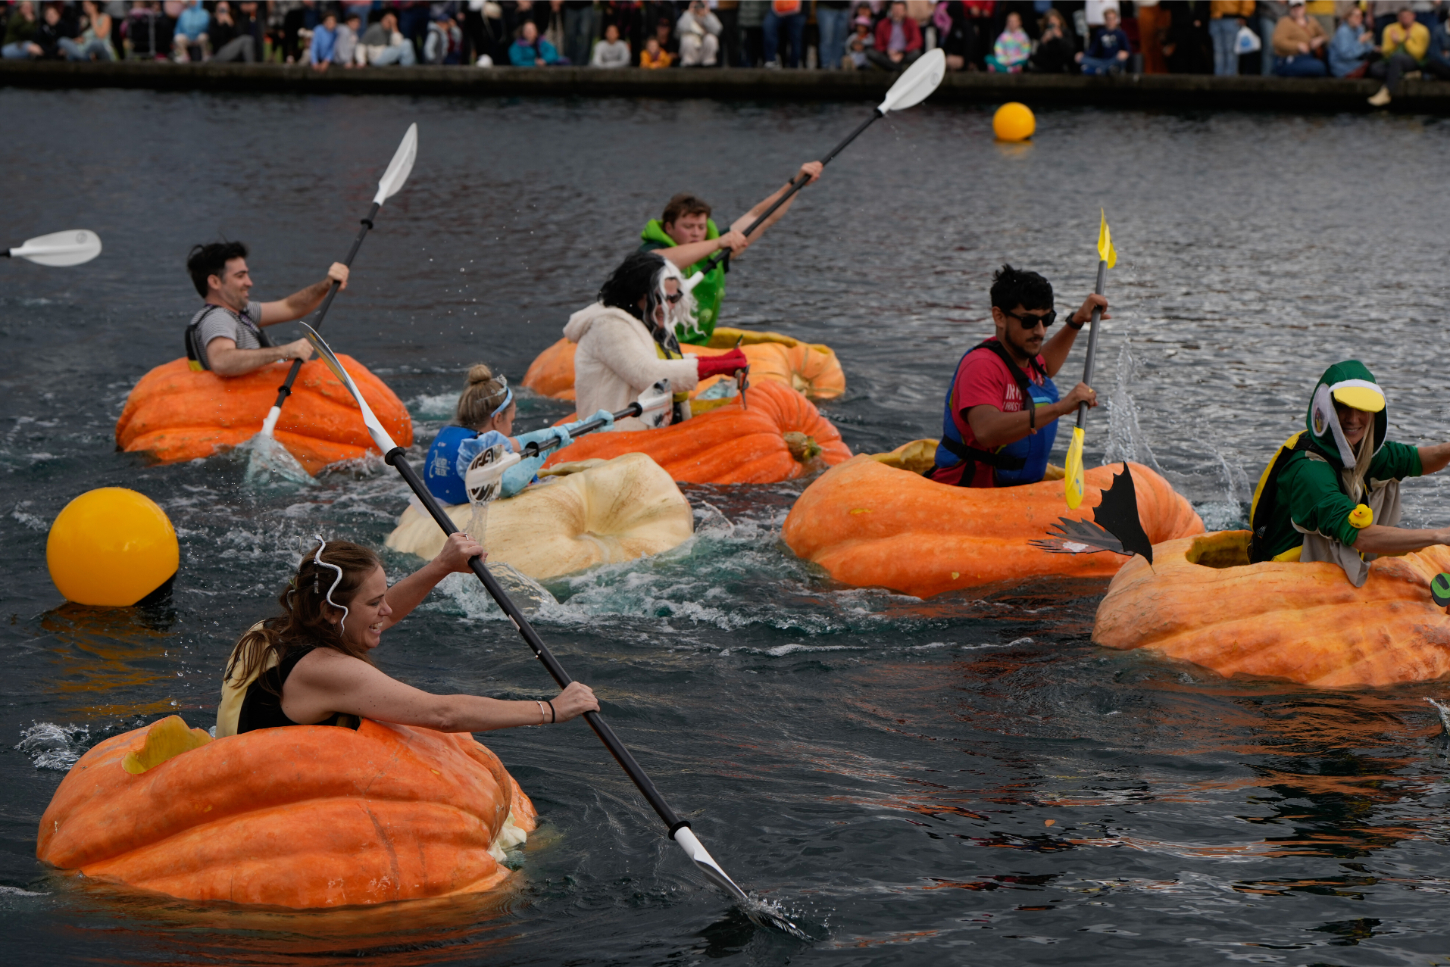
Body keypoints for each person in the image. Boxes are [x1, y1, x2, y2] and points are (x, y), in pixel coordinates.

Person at [216, 535, 599, 738]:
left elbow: (382, 613)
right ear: (332, 611)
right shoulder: (326, 670)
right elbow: (442, 715)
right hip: (259, 809)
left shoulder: (269, 632)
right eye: (374, 602)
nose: (386, 612)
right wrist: (550, 710)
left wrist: (442, 566)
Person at [1248, 361, 1450, 587]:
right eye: (1343, 407)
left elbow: (1417, 461)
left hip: (1319, 570)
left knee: (1388, 477)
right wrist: (1440, 536)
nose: (1353, 419)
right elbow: (1360, 536)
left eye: (1362, 408)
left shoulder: (1358, 450)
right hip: (1283, 581)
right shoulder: (1310, 472)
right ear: (1325, 409)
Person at [928, 265, 1103, 489]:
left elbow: (1046, 364)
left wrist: (1077, 320)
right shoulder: (981, 366)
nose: (1040, 331)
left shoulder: (1027, 360)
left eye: (1047, 319)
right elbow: (986, 431)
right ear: (999, 317)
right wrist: (1060, 408)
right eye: (1028, 321)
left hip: (1014, 493)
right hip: (967, 494)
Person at [638, 161, 825, 345]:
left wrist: (795, 184)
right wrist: (717, 243)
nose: (696, 233)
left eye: (701, 227)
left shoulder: (716, 250)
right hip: (650, 343)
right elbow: (659, 260)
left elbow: (760, 217)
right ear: (668, 228)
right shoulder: (650, 250)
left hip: (695, 345)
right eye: (688, 227)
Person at [563, 252, 749, 430]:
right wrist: (719, 366)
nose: (667, 307)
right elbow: (648, 373)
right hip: (611, 440)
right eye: (658, 299)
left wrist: (722, 362)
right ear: (635, 293)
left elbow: (667, 363)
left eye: (673, 298)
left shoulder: (649, 321)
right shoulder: (608, 325)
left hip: (650, 435)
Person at [423, 364, 615, 506]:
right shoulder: (479, 451)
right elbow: (508, 485)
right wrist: (543, 452)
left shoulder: (461, 438)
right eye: (511, 421)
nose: (512, 428)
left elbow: (525, 440)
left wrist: (585, 425)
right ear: (498, 418)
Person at [182, 240, 349, 377]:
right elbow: (221, 362)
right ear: (215, 282)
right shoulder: (218, 318)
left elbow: (291, 307)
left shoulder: (241, 312)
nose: (249, 282)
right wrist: (285, 351)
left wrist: (325, 286)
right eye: (240, 276)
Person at [1368, 6, 1432, 105]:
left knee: (1397, 57)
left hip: (1413, 61)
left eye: (1407, 16)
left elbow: (1419, 54)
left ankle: (1388, 91)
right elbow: (1385, 52)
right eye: (1402, 16)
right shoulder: (1390, 28)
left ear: (1413, 16)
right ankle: (1407, 75)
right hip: (1393, 61)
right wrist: (1395, 44)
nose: (1405, 18)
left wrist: (1405, 42)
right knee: (1375, 68)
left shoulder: (1422, 30)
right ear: (1398, 17)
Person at [1271, 0, 1328, 76]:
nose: (1296, 9)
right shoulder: (1284, 22)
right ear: (1289, 8)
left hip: (1310, 56)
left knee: (1327, 56)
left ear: (1304, 7)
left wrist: (1319, 39)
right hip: (1291, 59)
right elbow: (1277, 41)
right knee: (1318, 67)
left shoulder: (1311, 21)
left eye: (1299, 6)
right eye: (1293, 6)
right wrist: (1297, 46)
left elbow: (1325, 36)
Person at [868, 0, 923, 71]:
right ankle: (899, 69)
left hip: (904, 53)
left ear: (905, 11)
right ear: (890, 11)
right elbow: (878, 44)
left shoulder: (911, 23)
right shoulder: (882, 24)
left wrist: (903, 52)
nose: (897, 12)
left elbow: (917, 41)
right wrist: (887, 51)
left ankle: (893, 68)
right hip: (887, 54)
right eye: (894, 9)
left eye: (899, 10)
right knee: (870, 52)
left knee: (916, 53)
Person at [1077, 6, 1133, 73]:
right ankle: (1104, 69)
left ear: (1116, 19)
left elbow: (1128, 51)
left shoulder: (1121, 33)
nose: (1110, 21)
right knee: (1082, 59)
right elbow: (1093, 50)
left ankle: (1099, 69)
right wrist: (1083, 54)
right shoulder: (1100, 33)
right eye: (1108, 19)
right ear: (1105, 20)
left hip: (1115, 60)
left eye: (1112, 19)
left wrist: (1124, 53)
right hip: (1102, 60)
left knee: (1120, 59)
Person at [1329, 5, 1376, 77]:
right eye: (1356, 16)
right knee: (1374, 67)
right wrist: (1360, 42)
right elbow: (1346, 55)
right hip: (1343, 67)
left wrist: (1374, 48)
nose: (1360, 19)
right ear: (1349, 17)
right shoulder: (1343, 31)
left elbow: (1365, 48)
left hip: (1356, 63)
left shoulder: (1359, 29)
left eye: (1361, 16)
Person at [1209, 0, 1253, 75]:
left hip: (1232, 17)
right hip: (1215, 17)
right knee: (1218, 50)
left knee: (1230, 50)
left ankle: (1230, 77)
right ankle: (1218, 77)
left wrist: (1244, 14)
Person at [1029, 8, 1078, 72]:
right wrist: (1044, 41)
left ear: (1059, 21)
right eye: (1050, 22)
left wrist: (1060, 37)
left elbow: (1070, 49)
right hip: (1049, 59)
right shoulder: (1044, 32)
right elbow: (1039, 52)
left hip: (1061, 58)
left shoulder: (1066, 31)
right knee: (1032, 57)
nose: (1052, 24)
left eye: (1054, 21)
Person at [676, 0, 721, 67]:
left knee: (711, 38)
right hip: (691, 53)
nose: (699, 7)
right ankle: (688, 62)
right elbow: (681, 28)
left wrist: (707, 14)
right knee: (687, 39)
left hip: (704, 52)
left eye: (701, 4)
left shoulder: (708, 15)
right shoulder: (688, 15)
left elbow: (717, 30)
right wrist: (690, 12)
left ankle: (709, 62)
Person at [763, 0, 806, 68]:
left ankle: (794, 66)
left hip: (796, 10)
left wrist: (805, 11)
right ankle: (771, 60)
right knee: (768, 27)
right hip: (777, 9)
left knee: (796, 41)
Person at [817, 0, 852, 69]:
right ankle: (825, 66)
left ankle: (838, 65)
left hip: (844, 8)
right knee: (827, 40)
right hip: (826, 7)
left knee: (841, 40)